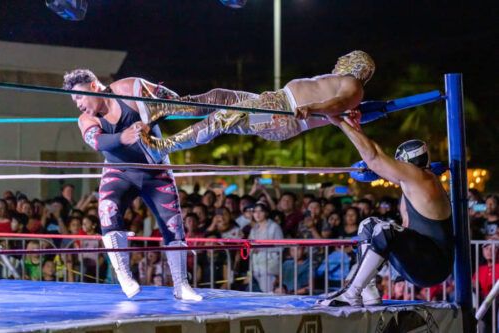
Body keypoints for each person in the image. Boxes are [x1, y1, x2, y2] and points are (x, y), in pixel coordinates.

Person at [63, 69, 201, 300]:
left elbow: (172, 100)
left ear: (94, 86)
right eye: (74, 100)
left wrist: (152, 117)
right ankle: (124, 276)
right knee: (107, 210)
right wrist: (122, 137)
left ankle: (181, 284)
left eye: (79, 96)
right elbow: (96, 141)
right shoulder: (86, 119)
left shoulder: (129, 89)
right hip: (119, 172)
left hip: (155, 170)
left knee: (174, 225)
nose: (77, 104)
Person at [319, 110, 454, 307]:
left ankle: (352, 292)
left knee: (384, 229)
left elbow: (374, 158)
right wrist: (355, 126)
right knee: (368, 224)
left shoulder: (423, 179)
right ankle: (368, 291)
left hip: (433, 264)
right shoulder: (413, 186)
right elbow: (376, 155)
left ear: (407, 162)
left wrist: (338, 120)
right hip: (418, 259)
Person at [139, 51, 375, 156]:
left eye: (346, 58)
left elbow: (338, 104)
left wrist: (311, 108)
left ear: (356, 64)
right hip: (276, 103)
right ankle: (166, 107)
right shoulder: (343, 80)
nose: (339, 61)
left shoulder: (354, 86)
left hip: (282, 115)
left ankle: (164, 146)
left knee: (224, 117)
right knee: (221, 96)